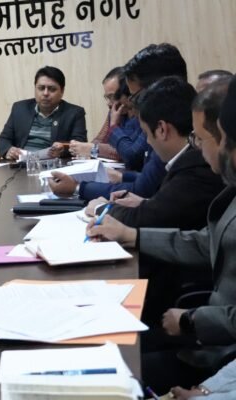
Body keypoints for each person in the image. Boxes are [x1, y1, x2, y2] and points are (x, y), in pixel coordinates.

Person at [85, 76, 235, 392]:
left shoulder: (201, 172)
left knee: (109, 371)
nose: (197, 147)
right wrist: (132, 236)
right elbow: (205, 242)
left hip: (216, 350)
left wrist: (191, 321)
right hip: (206, 334)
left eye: (202, 138)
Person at [49, 43, 190, 202]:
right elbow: (149, 179)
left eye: (134, 97)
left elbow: (136, 167)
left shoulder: (167, 128)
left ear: (158, 88)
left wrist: (77, 187)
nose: (131, 105)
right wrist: (122, 176)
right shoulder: (158, 119)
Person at [86, 76, 224, 230]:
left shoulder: (195, 167)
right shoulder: (186, 160)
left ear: (162, 129)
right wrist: (147, 204)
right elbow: (169, 208)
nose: (148, 142)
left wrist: (101, 208)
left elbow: (153, 219)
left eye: (200, 138)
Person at [0, 66, 87, 161]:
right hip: (20, 164)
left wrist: (63, 149)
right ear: (35, 88)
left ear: (62, 91)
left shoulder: (75, 113)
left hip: (52, 165)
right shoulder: (20, 108)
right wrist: (8, 150)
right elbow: (3, 140)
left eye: (52, 89)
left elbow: (79, 145)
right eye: (41, 88)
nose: (45, 93)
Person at [69, 67, 124, 160]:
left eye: (112, 96)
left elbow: (126, 151)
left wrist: (92, 149)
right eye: (107, 97)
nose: (109, 103)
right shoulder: (113, 111)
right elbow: (100, 139)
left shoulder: (136, 113)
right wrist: (81, 147)